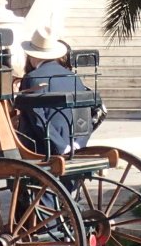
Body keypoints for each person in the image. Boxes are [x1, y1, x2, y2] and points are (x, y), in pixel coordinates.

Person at [15, 26, 96, 157]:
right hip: (75, 144)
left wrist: (61, 147)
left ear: (31, 55)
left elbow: (37, 118)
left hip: (42, 148)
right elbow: (84, 115)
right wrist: (77, 145)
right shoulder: (74, 78)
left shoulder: (32, 78)